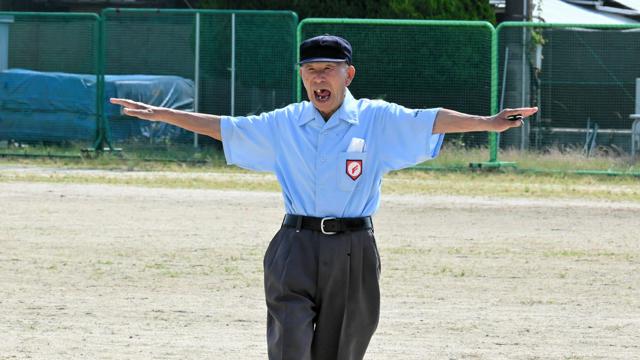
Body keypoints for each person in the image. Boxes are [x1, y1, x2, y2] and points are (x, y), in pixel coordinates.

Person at [111, 34, 537, 360]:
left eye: (328, 69)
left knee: (340, 349)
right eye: (310, 69)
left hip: (353, 248)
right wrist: (163, 113)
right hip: (293, 247)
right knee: (289, 343)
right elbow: (226, 127)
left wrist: (489, 122)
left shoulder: (377, 119)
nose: (318, 77)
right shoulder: (283, 123)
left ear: (348, 74)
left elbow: (430, 121)